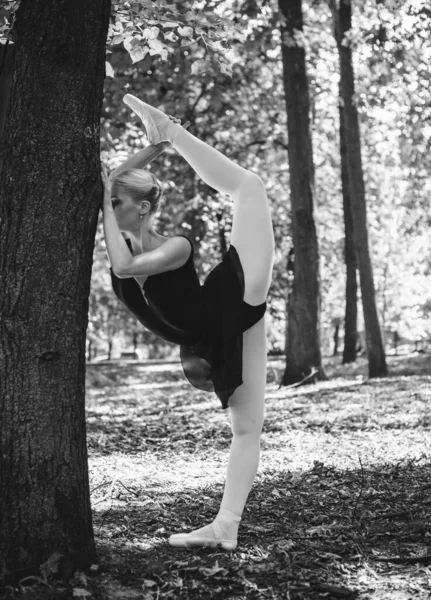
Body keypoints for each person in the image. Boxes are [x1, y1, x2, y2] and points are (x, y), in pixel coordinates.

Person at [101, 94, 275, 550]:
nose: (108, 205)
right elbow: (113, 194)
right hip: (215, 338)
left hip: (234, 298)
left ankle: (173, 131)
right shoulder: (126, 239)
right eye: (110, 199)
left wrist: (163, 144)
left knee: (249, 186)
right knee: (246, 428)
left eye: (114, 201)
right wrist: (147, 154)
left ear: (139, 208)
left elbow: (123, 267)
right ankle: (226, 527)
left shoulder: (175, 246)